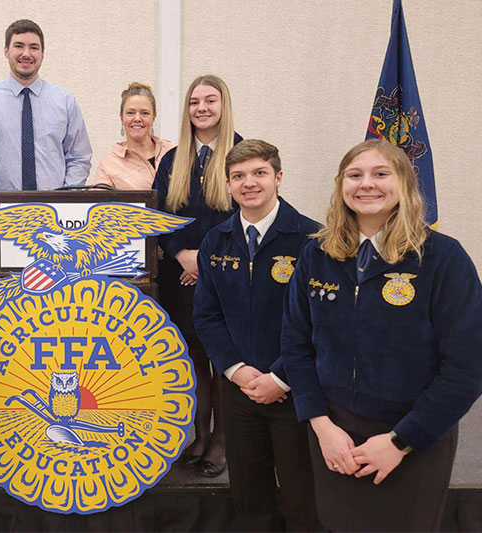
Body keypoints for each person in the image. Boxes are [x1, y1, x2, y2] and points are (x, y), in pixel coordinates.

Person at [282, 139, 482, 531]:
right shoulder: (317, 255)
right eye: (355, 175)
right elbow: (295, 345)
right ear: (341, 186)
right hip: (335, 435)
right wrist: (321, 426)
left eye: (380, 174)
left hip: (412, 439)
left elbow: (467, 367)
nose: (366, 184)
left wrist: (400, 441)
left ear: (405, 185)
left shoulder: (443, 258)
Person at [193, 140, 321, 530]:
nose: (249, 183)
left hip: (296, 391)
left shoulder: (312, 240)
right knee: (250, 499)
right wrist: (235, 370)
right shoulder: (216, 241)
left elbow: (321, 322)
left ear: (278, 177)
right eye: (238, 176)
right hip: (240, 391)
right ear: (228, 185)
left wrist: (279, 377)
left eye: (259, 173)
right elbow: (207, 315)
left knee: (304, 498)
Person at [153, 74, 242, 477]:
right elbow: (157, 217)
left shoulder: (241, 155)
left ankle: (222, 441)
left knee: (221, 361)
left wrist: (203, 261)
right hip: (180, 278)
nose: (201, 108)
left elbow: (249, 215)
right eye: (194, 102)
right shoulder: (173, 159)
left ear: (223, 106)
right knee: (191, 358)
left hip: (226, 279)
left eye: (210, 100)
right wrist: (180, 254)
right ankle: (199, 436)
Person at [0, 19, 93, 191]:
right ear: (6, 51)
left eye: (34, 47)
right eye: (18, 46)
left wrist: (66, 198)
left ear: (42, 54)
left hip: (53, 210)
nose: (26, 54)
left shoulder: (64, 100)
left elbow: (79, 157)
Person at [89, 82, 175, 190]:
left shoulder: (173, 152)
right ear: (121, 118)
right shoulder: (109, 165)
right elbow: (100, 204)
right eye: (130, 113)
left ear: (153, 118)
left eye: (144, 113)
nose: (137, 118)